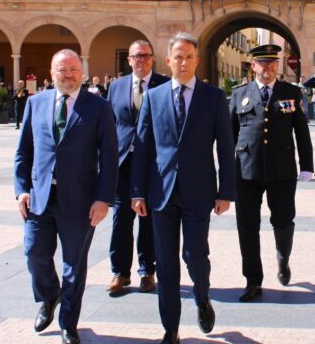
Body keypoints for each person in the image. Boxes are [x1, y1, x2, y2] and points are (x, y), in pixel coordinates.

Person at [131, 32, 236, 344]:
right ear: (168, 61)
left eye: (190, 56)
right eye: (178, 56)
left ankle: (202, 297)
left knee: (194, 254)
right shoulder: (154, 97)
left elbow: (226, 148)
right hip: (160, 194)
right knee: (165, 262)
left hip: (199, 191)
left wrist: (226, 192)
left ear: (197, 60)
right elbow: (142, 147)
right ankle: (171, 329)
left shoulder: (214, 97)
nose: (184, 62)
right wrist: (137, 191)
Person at [14, 49, 118, 344]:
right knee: (34, 253)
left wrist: (103, 199)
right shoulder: (35, 103)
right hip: (40, 197)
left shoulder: (98, 107)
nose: (69, 75)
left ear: (82, 72)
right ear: (52, 73)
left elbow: (109, 157)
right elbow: (23, 152)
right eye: (63, 70)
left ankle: (68, 324)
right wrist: (21, 189)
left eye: (73, 69)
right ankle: (49, 295)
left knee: (74, 265)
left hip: (81, 200)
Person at [229, 44, 314, 302]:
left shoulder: (291, 92)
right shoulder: (239, 94)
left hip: (282, 169)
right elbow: (229, 134)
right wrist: (226, 169)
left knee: (284, 221)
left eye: (272, 63)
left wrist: (307, 165)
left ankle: (283, 259)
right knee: (247, 226)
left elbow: (302, 130)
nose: (267, 68)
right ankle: (253, 280)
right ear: (253, 65)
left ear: (277, 65)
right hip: (246, 171)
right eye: (262, 63)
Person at [105, 40, 169, 295]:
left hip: (153, 165)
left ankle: (147, 271)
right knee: (121, 219)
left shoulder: (164, 85)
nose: (141, 60)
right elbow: (109, 125)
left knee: (149, 219)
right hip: (123, 164)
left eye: (145, 56)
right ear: (128, 60)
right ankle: (120, 272)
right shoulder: (116, 87)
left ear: (152, 58)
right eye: (136, 56)